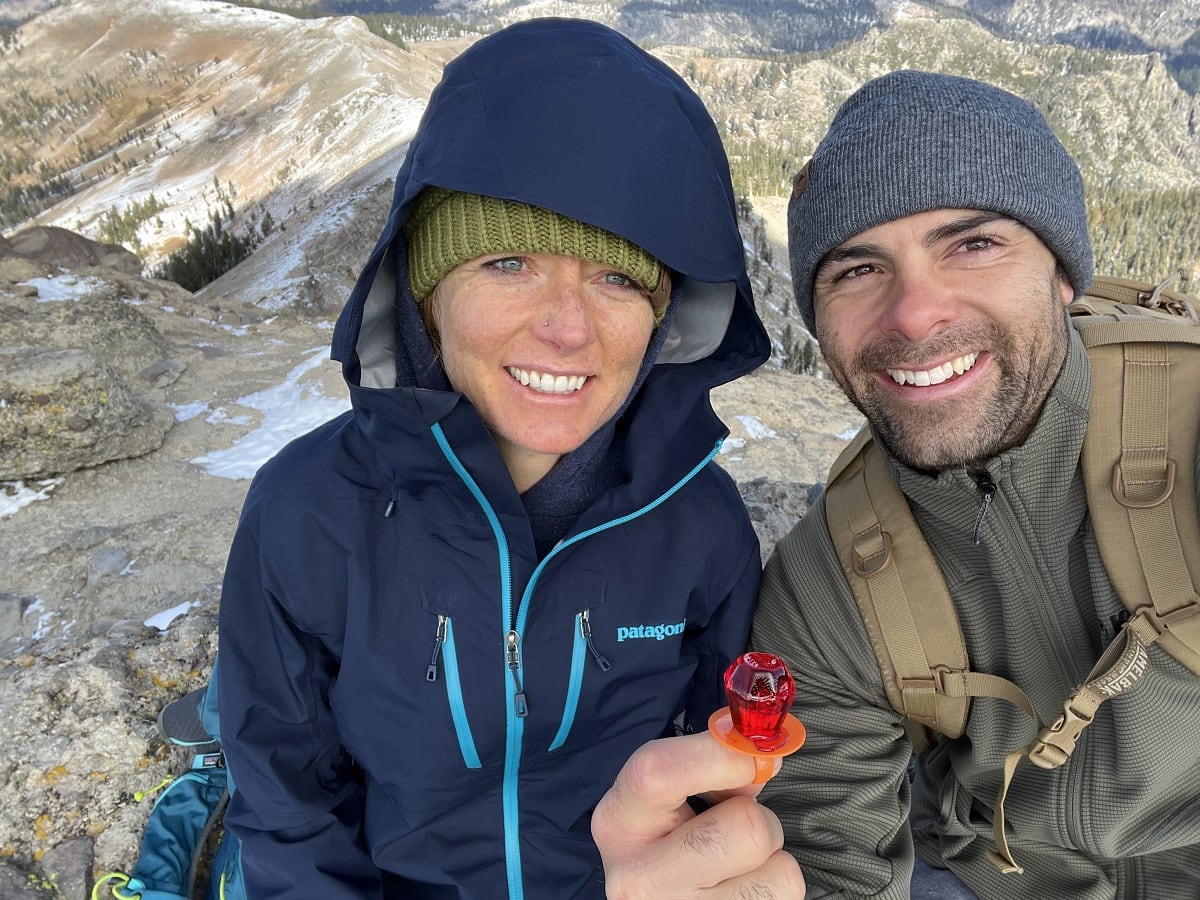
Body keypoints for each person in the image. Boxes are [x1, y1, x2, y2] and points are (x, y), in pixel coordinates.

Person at [593, 70, 1200, 899]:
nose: (915, 313)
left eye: (973, 244)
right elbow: (832, 863)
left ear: (1062, 273)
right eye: (856, 270)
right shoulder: (829, 583)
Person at [212, 17, 771, 900]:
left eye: (619, 278)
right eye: (508, 262)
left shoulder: (700, 528)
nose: (568, 327)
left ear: (666, 319)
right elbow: (289, 810)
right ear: (426, 297)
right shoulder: (310, 513)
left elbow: (722, 783)